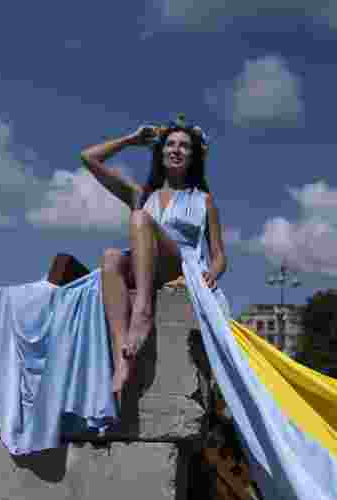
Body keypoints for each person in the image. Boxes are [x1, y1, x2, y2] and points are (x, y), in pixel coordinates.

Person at [80, 120, 227, 399]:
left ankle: (143, 310)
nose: (176, 149)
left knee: (139, 217)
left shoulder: (203, 200)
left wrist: (213, 273)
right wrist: (130, 139)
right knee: (110, 257)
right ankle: (122, 359)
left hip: (178, 265)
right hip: (142, 266)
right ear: (160, 152)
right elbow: (89, 158)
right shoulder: (142, 195)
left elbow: (219, 255)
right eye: (170, 144)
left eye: (184, 145)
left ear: (194, 156)